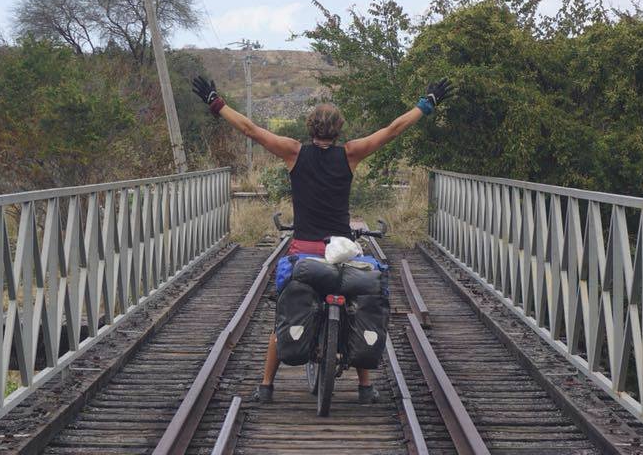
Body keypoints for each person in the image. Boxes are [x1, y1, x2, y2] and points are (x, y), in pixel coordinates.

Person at [191, 76, 455, 404]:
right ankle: (364, 386)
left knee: (287, 311)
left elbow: (250, 130)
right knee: (354, 309)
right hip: (340, 252)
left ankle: (267, 385)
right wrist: (425, 105)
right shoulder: (351, 154)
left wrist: (216, 102)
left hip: (304, 252)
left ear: (310, 126)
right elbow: (393, 130)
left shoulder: (293, 152)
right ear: (339, 129)